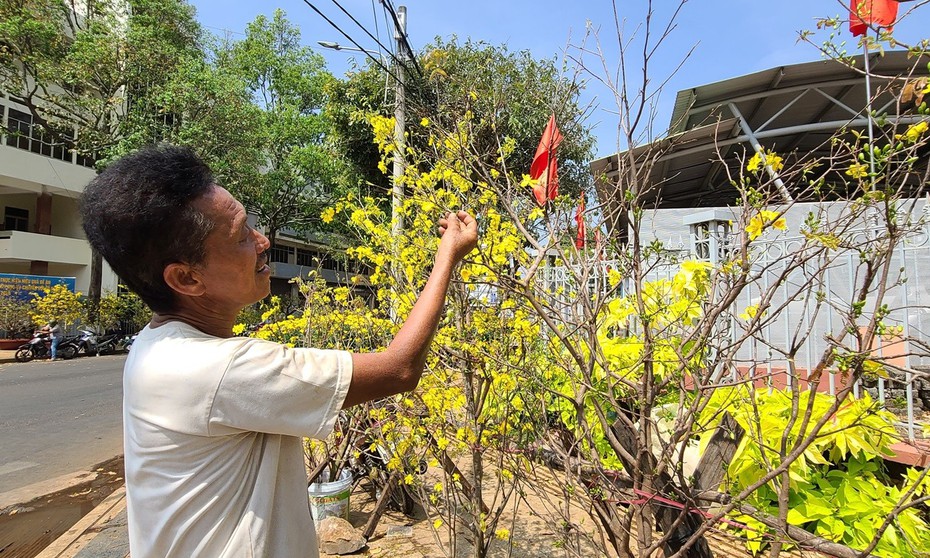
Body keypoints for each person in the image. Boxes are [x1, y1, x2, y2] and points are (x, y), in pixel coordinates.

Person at [79, 144, 478, 558]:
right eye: (239, 237)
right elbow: (400, 370)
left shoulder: (155, 345)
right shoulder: (218, 368)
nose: (262, 240)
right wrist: (447, 254)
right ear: (186, 277)